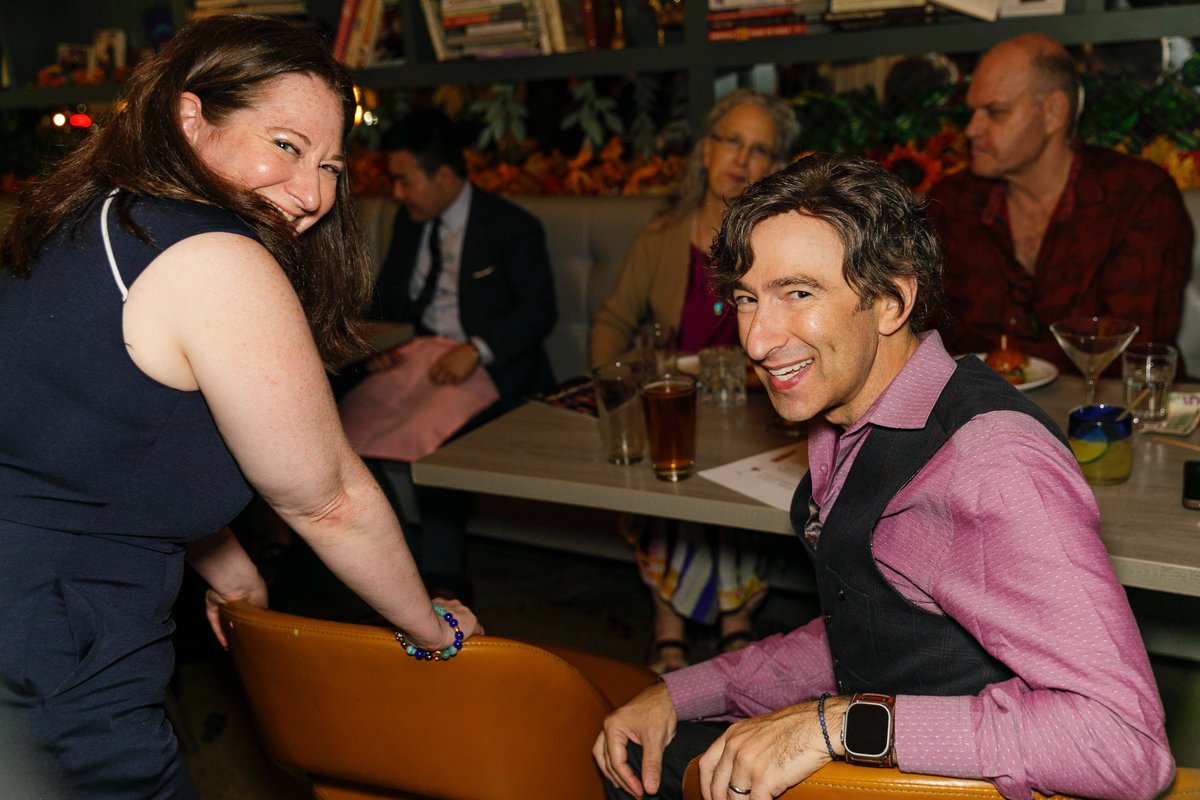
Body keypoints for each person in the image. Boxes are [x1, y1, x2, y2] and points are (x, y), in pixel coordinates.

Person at [0, 16, 481, 798]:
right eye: (286, 145)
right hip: (53, 652)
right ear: (193, 120)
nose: (317, 192)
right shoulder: (219, 256)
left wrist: (225, 563)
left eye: (332, 163)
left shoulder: (97, 220)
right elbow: (327, 498)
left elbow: (110, 433)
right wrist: (432, 628)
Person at [593, 153, 1174, 800]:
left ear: (893, 300)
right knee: (636, 759)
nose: (756, 340)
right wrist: (684, 693)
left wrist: (844, 726)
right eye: (748, 300)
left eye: (799, 293)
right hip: (890, 749)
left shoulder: (993, 465)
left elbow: (1125, 744)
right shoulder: (841, 417)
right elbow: (868, 621)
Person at [589, 89, 800, 674]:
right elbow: (610, 324)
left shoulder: (784, 249)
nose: (742, 158)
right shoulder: (661, 239)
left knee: (736, 471)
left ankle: (718, 622)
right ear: (706, 150)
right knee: (673, 468)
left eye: (759, 150)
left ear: (774, 168)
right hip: (674, 412)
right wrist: (612, 399)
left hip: (757, 413)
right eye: (732, 141)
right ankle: (682, 622)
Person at [363, 107, 558, 600]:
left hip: (489, 369)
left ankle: (444, 582)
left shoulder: (511, 227)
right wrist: (374, 343)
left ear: (445, 175)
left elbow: (539, 311)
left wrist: (477, 349)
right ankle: (394, 566)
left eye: (405, 181)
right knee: (339, 430)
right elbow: (386, 295)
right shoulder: (409, 223)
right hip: (416, 360)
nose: (397, 193)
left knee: (435, 444)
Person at [927, 33, 1194, 371]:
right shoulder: (952, 202)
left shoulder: (1137, 196)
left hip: (1107, 413)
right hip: (976, 414)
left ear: (1054, 113)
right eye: (972, 112)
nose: (972, 129)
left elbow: (1133, 348)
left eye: (995, 112)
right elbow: (924, 332)